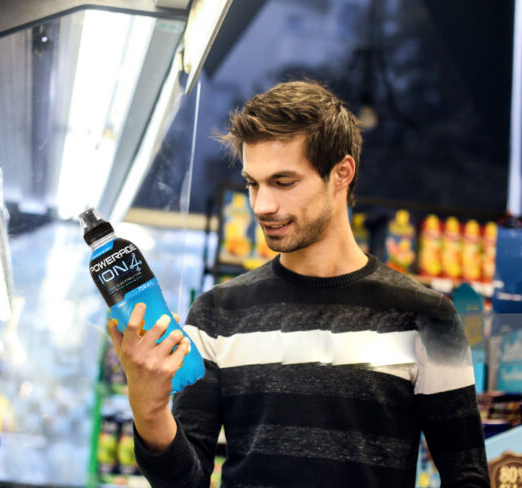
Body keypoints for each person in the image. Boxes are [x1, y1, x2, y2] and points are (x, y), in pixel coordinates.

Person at [106, 80, 489, 487]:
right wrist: (148, 411)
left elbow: (467, 477)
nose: (261, 206)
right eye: (253, 183)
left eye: (283, 182)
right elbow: (187, 481)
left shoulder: (430, 317)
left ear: (341, 174)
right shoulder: (218, 313)